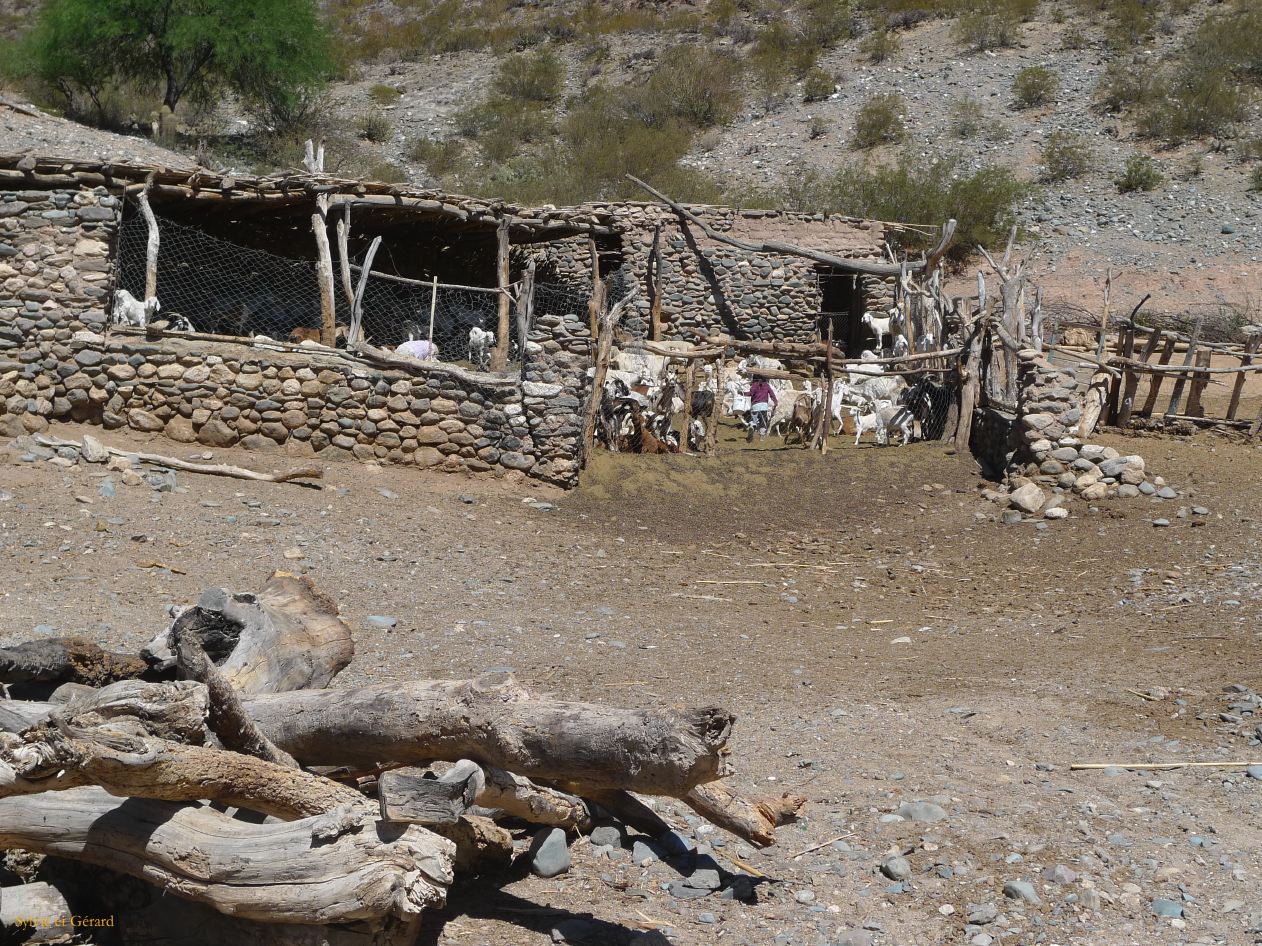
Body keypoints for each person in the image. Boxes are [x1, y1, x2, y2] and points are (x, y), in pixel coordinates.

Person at [745, 375, 778, 441]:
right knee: (763, 422)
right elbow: (772, 394)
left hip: (755, 406)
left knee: (754, 420)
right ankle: (762, 437)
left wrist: (742, 393)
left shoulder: (754, 385)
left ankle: (752, 426)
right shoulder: (767, 385)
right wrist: (775, 402)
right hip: (764, 406)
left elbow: (750, 393)